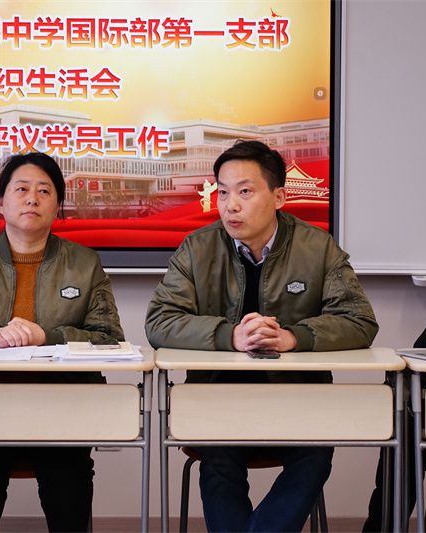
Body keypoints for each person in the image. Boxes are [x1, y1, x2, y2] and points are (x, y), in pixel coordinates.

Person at [145, 140, 379, 532]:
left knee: (315, 455)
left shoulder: (317, 247)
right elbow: (159, 321)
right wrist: (229, 336)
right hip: (219, 400)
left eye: (245, 192)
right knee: (218, 460)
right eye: (222, 193)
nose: (230, 205)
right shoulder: (197, 248)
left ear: (279, 197)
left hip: (296, 400)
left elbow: (359, 321)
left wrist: (294, 337)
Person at [0, 152, 124, 532]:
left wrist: (48, 337)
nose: (32, 198)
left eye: (44, 191)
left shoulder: (84, 264)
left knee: (68, 498)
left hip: (63, 412)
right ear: (0, 203)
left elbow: (109, 339)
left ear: (58, 206)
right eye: (21, 189)